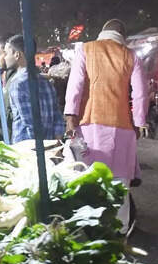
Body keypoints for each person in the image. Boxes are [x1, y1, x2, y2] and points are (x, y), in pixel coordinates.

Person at [63, 19, 149, 233]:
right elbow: (140, 94)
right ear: (123, 36)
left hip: (90, 126)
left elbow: (75, 85)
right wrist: (139, 123)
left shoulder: (86, 49)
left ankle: (90, 228)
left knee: (89, 180)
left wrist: (70, 116)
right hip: (122, 128)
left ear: (102, 32)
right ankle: (119, 232)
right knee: (120, 183)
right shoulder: (131, 56)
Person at [0, 35, 64, 143]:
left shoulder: (18, 84)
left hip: (27, 148)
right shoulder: (45, 82)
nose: (4, 57)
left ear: (17, 55)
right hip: (49, 144)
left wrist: (37, 149)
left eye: (7, 53)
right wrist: (56, 142)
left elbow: (30, 124)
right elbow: (58, 117)